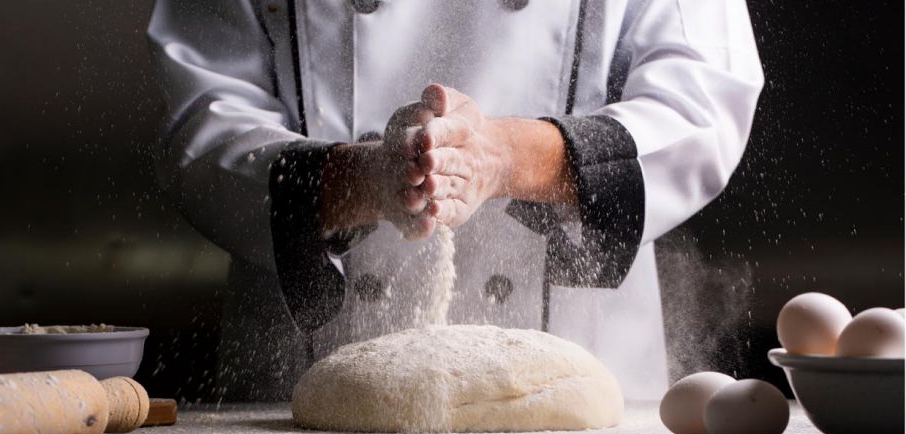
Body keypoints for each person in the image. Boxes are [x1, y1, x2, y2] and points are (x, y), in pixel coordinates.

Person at [147, 0, 763, 401]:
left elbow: (702, 100)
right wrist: (356, 180)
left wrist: (505, 156)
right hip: (298, 397)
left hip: (584, 398)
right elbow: (197, 118)